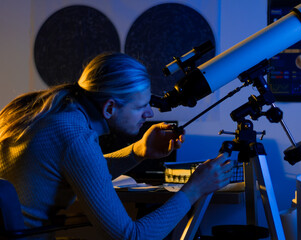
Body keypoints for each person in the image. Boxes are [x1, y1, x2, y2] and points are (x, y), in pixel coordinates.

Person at [0, 52, 233, 240]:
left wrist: (137, 151)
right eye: (141, 106)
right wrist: (194, 189)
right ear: (110, 108)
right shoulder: (75, 137)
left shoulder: (34, 107)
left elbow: (81, 171)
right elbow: (130, 236)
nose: (150, 113)